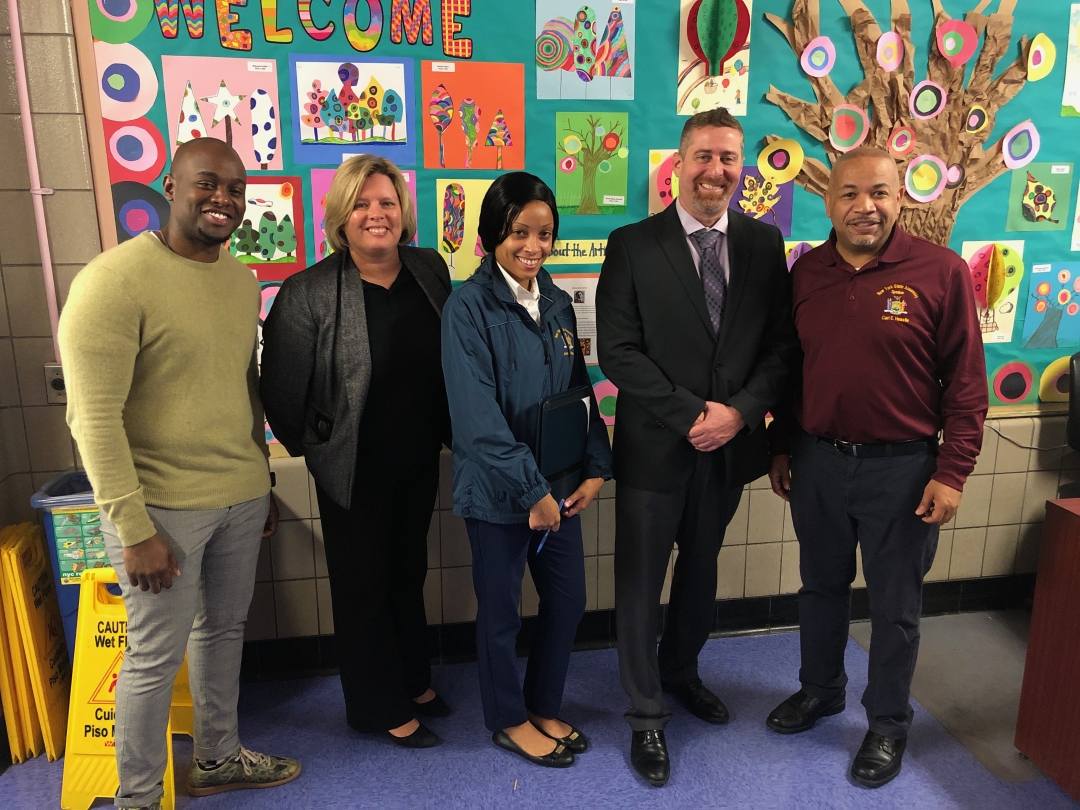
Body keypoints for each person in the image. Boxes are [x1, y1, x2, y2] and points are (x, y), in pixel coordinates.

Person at [58, 138, 300, 809]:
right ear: (170, 186)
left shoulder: (239, 278)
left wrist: (263, 477)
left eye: (235, 188)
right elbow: (93, 420)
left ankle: (218, 759)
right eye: (206, 184)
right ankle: (137, 799)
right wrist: (133, 530)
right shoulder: (112, 281)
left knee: (223, 634)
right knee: (151, 660)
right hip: (160, 512)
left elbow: (240, 386)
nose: (222, 199)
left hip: (240, 495)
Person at [766, 146, 987, 788]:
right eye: (850, 194)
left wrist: (953, 472)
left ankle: (887, 723)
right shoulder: (806, 273)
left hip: (905, 471)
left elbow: (968, 387)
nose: (866, 206)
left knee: (894, 607)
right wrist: (781, 446)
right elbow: (790, 370)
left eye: (880, 193)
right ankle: (820, 690)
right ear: (828, 200)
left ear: (900, 197)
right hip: (818, 461)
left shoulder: (940, 272)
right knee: (819, 589)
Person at [596, 108, 798, 786]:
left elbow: (779, 348)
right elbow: (619, 352)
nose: (716, 170)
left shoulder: (765, 244)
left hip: (729, 450)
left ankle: (682, 672)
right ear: (677, 164)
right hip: (658, 448)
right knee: (639, 583)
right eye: (704, 156)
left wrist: (739, 415)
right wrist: (692, 416)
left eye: (728, 159)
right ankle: (646, 714)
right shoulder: (631, 244)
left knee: (702, 571)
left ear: (742, 169)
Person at [260, 155, 452, 748]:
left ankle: (414, 680)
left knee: (407, 573)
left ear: (404, 213)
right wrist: (321, 452)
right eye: (361, 204)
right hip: (352, 471)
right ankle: (377, 706)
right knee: (363, 585)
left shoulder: (430, 270)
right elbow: (282, 397)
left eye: (387, 203)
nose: (376, 214)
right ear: (340, 218)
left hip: (419, 460)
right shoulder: (307, 292)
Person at [441, 172, 613, 769]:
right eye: (519, 232)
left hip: (560, 488)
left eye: (545, 234)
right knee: (500, 615)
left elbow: (577, 390)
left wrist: (594, 465)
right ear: (493, 234)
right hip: (498, 494)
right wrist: (531, 490)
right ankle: (508, 719)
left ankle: (542, 703)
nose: (533, 246)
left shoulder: (559, 302)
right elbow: (476, 417)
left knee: (567, 603)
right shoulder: (468, 305)